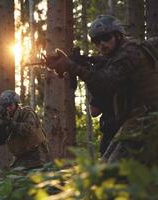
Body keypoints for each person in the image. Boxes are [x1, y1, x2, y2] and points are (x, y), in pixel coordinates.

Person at [46, 15, 158, 164]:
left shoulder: (129, 53)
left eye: (106, 38)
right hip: (140, 119)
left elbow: (104, 84)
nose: (101, 44)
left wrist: (73, 66)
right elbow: (104, 66)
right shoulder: (120, 53)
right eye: (97, 41)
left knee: (110, 172)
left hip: (147, 120)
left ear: (118, 36)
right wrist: (78, 63)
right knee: (106, 165)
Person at [0, 90, 50, 169]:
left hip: (37, 156)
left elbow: (28, 130)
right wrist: (2, 127)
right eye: (5, 106)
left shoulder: (26, 112)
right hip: (21, 158)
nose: (8, 108)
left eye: (10, 105)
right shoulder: (7, 120)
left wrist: (11, 123)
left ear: (16, 104)